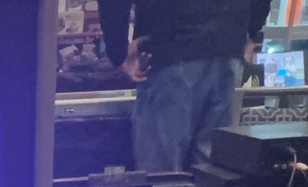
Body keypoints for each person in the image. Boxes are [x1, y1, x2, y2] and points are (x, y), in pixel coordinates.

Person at [97, 0, 272, 171]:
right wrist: (252, 30)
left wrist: (118, 52)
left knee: (161, 171)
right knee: (211, 171)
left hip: (170, 45)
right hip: (228, 42)